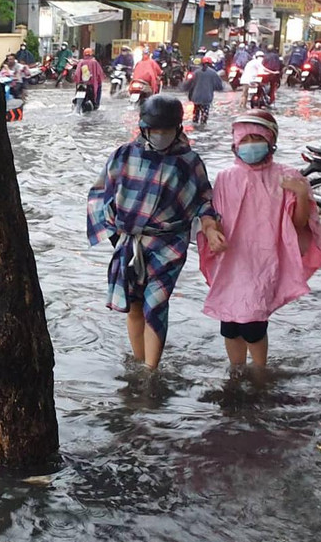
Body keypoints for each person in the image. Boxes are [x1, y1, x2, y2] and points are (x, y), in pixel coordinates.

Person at [87, 94, 224, 371]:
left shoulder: (189, 162)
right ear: (144, 128)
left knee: (156, 305)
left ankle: (151, 371)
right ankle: (138, 363)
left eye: (166, 130)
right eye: (155, 130)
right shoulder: (124, 155)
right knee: (135, 305)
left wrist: (210, 228)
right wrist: (113, 232)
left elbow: (204, 200)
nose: (160, 135)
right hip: (129, 242)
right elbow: (101, 193)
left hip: (169, 245)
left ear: (177, 129)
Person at [198, 110, 321, 371]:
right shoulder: (225, 178)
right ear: (235, 144)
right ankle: (236, 372)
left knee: (254, 324)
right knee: (229, 325)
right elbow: (213, 215)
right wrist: (211, 232)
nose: (250, 145)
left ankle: (259, 373)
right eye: (244, 139)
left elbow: (298, 224)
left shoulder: (287, 177)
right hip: (232, 262)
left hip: (265, 261)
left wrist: (301, 194)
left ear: (271, 141)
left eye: (256, 138)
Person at [183, 54, 225, 125]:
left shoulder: (196, 72)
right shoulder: (213, 73)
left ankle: (195, 128)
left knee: (195, 116)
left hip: (196, 98)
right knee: (204, 119)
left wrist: (183, 88)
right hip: (206, 98)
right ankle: (202, 128)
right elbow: (219, 86)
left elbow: (188, 85)